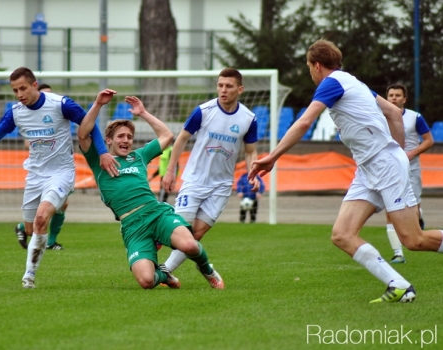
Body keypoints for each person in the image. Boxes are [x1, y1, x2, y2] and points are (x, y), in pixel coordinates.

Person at [249, 39, 443, 303]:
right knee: (342, 234)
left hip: (384, 165)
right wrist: (396, 152)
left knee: (413, 239)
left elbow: (305, 121)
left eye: (309, 67)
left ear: (317, 66)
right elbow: (395, 114)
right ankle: (398, 284)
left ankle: (400, 284)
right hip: (369, 169)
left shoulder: (332, 83)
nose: (310, 73)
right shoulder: (354, 82)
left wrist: (272, 157)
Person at [0, 67, 118, 289]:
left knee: (42, 218)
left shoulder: (60, 104)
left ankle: (28, 278)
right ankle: (32, 249)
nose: (19, 94)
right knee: (31, 230)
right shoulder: (16, 112)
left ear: (34, 85)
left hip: (61, 173)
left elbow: (89, 127)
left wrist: (102, 152)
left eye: (23, 88)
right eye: (15, 90)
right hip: (34, 176)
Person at [78, 90, 225, 289]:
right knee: (147, 281)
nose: (126, 140)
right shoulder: (100, 160)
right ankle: (163, 275)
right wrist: (98, 104)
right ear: (109, 141)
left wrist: (143, 113)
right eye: (120, 136)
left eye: (129, 136)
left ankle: (207, 269)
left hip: (155, 212)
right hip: (132, 225)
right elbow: (83, 134)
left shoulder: (138, 156)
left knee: (189, 245)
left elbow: (167, 135)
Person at [161, 68, 260, 273]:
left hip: (221, 186)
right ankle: (157, 245)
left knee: (195, 235)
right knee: (179, 231)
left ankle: (165, 271)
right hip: (195, 180)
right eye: (220, 85)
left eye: (229, 86)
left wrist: (253, 172)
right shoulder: (203, 111)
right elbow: (181, 139)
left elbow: (251, 151)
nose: (223, 90)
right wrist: (170, 171)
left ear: (240, 89)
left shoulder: (248, 119)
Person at [382, 83, 434, 264]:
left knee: (414, 208)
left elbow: (429, 140)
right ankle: (398, 253)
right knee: (390, 209)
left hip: (410, 168)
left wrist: (411, 154)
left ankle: (419, 217)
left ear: (404, 98)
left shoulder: (414, 117)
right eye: (390, 95)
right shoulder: (380, 117)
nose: (393, 98)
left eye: (397, 95)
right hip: (389, 169)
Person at [14, 83, 67, 250]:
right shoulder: (28, 114)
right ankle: (23, 227)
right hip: (41, 170)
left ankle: (51, 241)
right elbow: (26, 142)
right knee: (44, 211)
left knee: (63, 204)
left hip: (60, 168)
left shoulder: (57, 109)